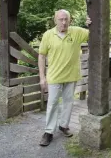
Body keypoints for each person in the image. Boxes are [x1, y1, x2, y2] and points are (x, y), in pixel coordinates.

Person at [38, 9, 91, 146]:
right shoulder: (48, 35)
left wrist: (91, 23)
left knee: (68, 102)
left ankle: (64, 125)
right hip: (54, 76)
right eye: (60, 19)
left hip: (71, 75)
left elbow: (94, 33)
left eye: (66, 19)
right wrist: (42, 77)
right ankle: (49, 131)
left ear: (70, 20)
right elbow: (42, 55)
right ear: (55, 20)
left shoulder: (77, 32)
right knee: (52, 103)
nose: (63, 22)